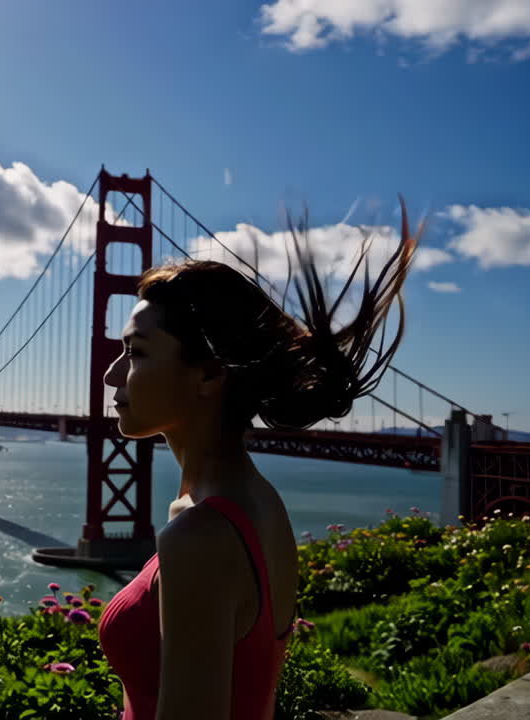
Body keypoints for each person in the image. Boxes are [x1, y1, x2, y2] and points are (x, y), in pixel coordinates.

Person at [96, 203, 421, 720]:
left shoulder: (202, 536)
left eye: (136, 353)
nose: (112, 376)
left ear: (208, 374)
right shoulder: (258, 504)